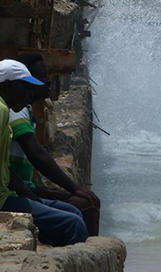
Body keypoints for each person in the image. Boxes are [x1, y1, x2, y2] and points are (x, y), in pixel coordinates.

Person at [0, 59, 88, 247]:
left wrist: (31, 197)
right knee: (73, 223)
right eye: (26, 87)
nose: (30, 94)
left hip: (0, 195)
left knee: (72, 212)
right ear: (9, 86)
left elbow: (2, 168)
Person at [11, 53, 100, 236]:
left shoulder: (27, 112)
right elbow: (37, 154)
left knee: (89, 201)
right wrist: (74, 188)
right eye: (42, 77)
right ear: (27, 82)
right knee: (86, 205)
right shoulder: (16, 112)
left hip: (28, 187)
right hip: (16, 193)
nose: (49, 81)